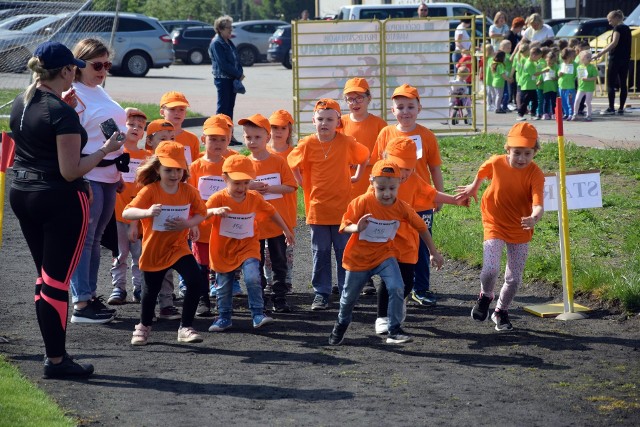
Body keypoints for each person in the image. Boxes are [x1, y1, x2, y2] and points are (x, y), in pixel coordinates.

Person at [9, 41, 125, 378]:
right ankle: (57, 360)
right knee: (56, 281)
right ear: (65, 71)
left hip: (22, 191)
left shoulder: (22, 100)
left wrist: (68, 113)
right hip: (58, 198)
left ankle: (55, 355)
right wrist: (106, 148)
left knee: (45, 277)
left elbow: (38, 142)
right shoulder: (59, 112)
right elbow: (71, 170)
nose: (77, 71)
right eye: (73, 67)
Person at [328, 159, 445, 346]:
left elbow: (422, 227)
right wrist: (356, 228)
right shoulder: (362, 202)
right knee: (348, 298)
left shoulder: (402, 207)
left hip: (385, 255)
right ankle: (341, 324)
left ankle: (394, 329)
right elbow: (344, 225)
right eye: (381, 188)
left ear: (399, 183)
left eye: (392, 188)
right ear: (371, 182)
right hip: (359, 259)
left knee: (397, 286)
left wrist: (433, 252)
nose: (387, 193)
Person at [373, 138, 469, 335]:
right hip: (387, 241)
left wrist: (455, 201)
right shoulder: (381, 180)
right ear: (386, 159)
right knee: (387, 279)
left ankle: (400, 302)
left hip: (407, 241)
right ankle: (382, 317)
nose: (405, 173)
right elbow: (366, 201)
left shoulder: (414, 179)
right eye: (400, 167)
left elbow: (431, 194)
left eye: (409, 168)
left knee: (407, 281)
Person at [456, 122, 544, 331]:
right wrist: (473, 187)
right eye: (516, 153)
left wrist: (534, 217)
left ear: (535, 152)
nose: (521, 158)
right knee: (490, 269)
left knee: (514, 279)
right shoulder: (496, 162)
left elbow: (538, 202)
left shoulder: (535, 173)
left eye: (527, 153)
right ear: (507, 149)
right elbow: (483, 170)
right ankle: (485, 296)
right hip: (494, 219)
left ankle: (501, 311)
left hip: (520, 226)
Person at [287, 99, 369, 310]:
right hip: (317, 208)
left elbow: (364, 156)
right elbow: (291, 162)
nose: (324, 123)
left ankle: (346, 291)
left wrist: (357, 176)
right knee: (320, 251)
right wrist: (301, 181)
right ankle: (321, 293)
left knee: (344, 251)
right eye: (320, 119)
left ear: (338, 121)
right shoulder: (306, 144)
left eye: (330, 119)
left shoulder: (346, 141)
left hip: (342, 209)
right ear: (313, 120)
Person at [123, 141, 208, 346]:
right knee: (150, 292)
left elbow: (202, 213)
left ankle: (185, 327)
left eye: (178, 170)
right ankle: (143, 326)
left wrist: (188, 223)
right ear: (157, 169)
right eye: (168, 170)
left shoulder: (188, 190)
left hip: (178, 247)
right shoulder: (150, 190)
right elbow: (127, 212)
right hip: (154, 248)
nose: (174, 174)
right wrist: (147, 212)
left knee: (196, 280)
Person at [67, 38, 127, 324]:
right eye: (97, 65)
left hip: (108, 173)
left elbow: (109, 129)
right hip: (88, 173)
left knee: (96, 237)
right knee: (85, 238)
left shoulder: (98, 91)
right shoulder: (73, 94)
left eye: (107, 64)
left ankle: (89, 296)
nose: (103, 70)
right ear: (80, 65)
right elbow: (72, 140)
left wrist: (118, 171)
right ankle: (80, 301)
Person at [373, 84, 444, 307]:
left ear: (419, 108)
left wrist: (438, 196)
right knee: (392, 243)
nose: (405, 111)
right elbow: (378, 165)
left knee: (422, 243)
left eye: (410, 106)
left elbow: (435, 168)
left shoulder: (426, 135)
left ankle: (421, 289)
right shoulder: (386, 133)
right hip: (392, 201)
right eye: (400, 107)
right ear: (393, 111)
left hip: (421, 201)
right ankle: (395, 284)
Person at [206, 155, 295, 332]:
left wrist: (286, 229)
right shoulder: (218, 198)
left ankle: (258, 313)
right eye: (237, 183)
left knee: (253, 277)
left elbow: (272, 211)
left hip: (248, 246)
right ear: (225, 179)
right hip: (223, 249)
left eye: (246, 183)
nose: (242, 188)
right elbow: (202, 214)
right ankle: (224, 317)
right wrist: (213, 211)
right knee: (224, 285)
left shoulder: (254, 198)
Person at [242, 114, 297, 312]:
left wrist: (269, 188)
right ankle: (261, 297)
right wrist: (250, 187)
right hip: (254, 224)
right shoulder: (244, 164)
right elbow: (236, 189)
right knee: (255, 262)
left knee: (279, 261)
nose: (253, 141)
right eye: (248, 137)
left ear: (267, 137)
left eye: (257, 137)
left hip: (276, 222)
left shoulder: (278, 161)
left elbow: (291, 186)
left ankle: (279, 297)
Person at [188, 115, 235, 317]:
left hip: (225, 225)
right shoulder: (195, 168)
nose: (218, 143)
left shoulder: (231, 165)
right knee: (201, 266)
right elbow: (189, 198)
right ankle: (203, 299)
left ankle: (223, 300)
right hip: (203, 225)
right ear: (203, 139)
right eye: (213, 139)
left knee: (224, 265)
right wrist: (193, 223)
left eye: (222, 139)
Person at [107, 108, 149, 305]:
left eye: (140, 127)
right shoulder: (115, 152)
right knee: (120, 252)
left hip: (140, 215)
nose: (135, 128)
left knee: (139, 254)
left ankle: (139, 288)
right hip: (118, 213)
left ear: (143, 133)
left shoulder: (148, 156)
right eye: (131, 124)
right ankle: (118, 287)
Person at [264, 109, 297, 295]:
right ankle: (270, 282)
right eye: (274, 127)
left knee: (286, 249)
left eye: (282, 128)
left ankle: (287, 281)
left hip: (286, 209)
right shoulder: (263, 152)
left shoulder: (295, 153)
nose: (278, 131)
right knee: (268, 251)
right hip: (265, 211)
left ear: (289, 131)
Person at [340, 77, 387, 202]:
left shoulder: (379, 124)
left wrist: (363, 162)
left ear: (369, 98)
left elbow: (385, 154)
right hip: (346, 182)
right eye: (350, 99)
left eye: (359, 98)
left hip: (372, 181)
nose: (355, 103)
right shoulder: (340, 123)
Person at [209, 15, 244, 144]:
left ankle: (229, 136)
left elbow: (236, 59)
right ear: (220, 28)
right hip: (223, 80)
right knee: (223, 108)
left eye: (231, 27)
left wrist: (240, 72)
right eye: (228, 28)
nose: (231, 30)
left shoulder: (228, 41)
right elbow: (223, 64)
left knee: (229, 108)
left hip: (231, 79)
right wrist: (237, 73)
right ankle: (219, 136)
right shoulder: (217, 43)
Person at [594, 10, 632, 116]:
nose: (609, 23)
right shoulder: (627, 28)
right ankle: (620, 108)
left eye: (610, 20)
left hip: (615, 58)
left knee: (611, 83)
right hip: (625, 59)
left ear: (616, 18)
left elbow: (614, 42)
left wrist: (600, 53)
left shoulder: (618, 28)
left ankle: (611, 108)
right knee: (623, 83)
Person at [159, 91, 200, 165]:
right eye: (172, 109)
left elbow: (194, 166)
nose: (177, 113)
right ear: (162, 112)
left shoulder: (192, 139)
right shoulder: (156, 136)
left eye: (181, 109)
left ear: (185, 113)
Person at [570, 50, 598, 122]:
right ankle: (575, 114)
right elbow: (578, 77)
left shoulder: (592, 67)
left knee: (588, 102)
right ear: (582, 59)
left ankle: (589, 115)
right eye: (587, 57)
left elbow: (595, 77)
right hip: (581, 87)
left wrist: (588, 79)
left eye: (590, 57)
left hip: (589, 88)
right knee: (577, 100)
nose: (589, 58)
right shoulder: (579, 67)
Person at [516, 46, 542, 121]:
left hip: (532, 85)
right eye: (538, 57)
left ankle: (533, 114)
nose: (538, 59)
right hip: (527, 86)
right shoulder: (529, 63)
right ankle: (520, 114)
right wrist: (544, 71)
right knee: (525, 101)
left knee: (535, 101)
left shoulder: (533, 62)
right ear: (534, 55)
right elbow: (534, 74)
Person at [557, 47, 577, 119]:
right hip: (561, 86)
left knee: (570, 101)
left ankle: (571, 114)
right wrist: (559, 73)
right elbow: (558, 74)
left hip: (570, 86)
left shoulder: (575, 64)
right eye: (572, 55)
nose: (574, 57)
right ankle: (566, 113)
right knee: (563, 101)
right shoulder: (562, 64)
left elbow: (578, 74)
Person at [541, 52, 559, 120]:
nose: (550, 64)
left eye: (552, 63)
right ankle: (545, 113)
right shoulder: (544, 69)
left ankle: (554, 113)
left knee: (553, 101)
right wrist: (539, 82)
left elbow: (559, 76)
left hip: (553, 88)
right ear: (546, 60)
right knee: (546, 101)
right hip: (546, 88)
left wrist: (556, 78)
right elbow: (541, 77)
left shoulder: (556, 67)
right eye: (549, 62)